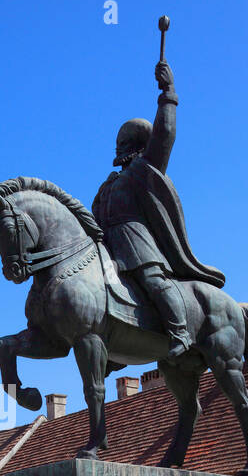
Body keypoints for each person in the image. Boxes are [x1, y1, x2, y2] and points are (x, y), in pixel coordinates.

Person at [92, 60, 227, 361]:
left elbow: (165, 133)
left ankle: (180, 330)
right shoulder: (108, 184)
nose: (120, 148)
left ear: (137, 146)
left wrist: (168, 92)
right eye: (119, 143)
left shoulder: (144, 168)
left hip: (138, 245)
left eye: (125, 143)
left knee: (153, 282)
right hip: (108, 247)